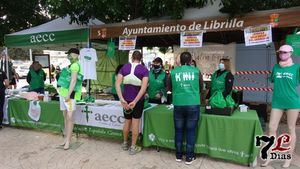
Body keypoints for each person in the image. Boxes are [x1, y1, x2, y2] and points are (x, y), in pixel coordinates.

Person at [261, 45, 300, 168]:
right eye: (280, 52)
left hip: (292, 102)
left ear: (290, 53)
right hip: (277, 102)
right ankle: (269, 156)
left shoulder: (296, 68)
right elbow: (272, 80)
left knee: (291, 128)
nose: (281, 54)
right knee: (271, 128)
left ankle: (288, 158)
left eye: (284, 52)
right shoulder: (276, 67)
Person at [169, 52, 203, 165]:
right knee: (191, 131)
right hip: (193, 103)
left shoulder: (173, 72)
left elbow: (169, 88)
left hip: (178, 104)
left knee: (178, 131)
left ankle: (178, 155)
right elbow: (201, 87)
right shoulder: (197, 71)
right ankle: (189, 157)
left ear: (180, 60)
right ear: (190, 61)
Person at [115, 51, 148, 155]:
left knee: (127, 122)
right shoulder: (144, 70)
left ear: (132, 58)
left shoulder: (124, 68)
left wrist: (122, 99)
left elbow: (117, 84)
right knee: (135, 123)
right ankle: (133, 147)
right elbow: (143, 89)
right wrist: (135, 101)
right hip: (137, 101)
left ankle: (125, 143)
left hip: (126, 100)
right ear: (141, 58)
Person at [58, 48, 83, 150]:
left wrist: (68, 94)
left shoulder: (75, 65)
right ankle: (66, 138)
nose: (69, 56)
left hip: (70, 95)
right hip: (63, 93)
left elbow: (73, 81)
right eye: (68, 54)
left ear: (76, 55)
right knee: (65, 117)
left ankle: (68, 140)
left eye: (70, 54)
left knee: (70, 118)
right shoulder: (70, 65)